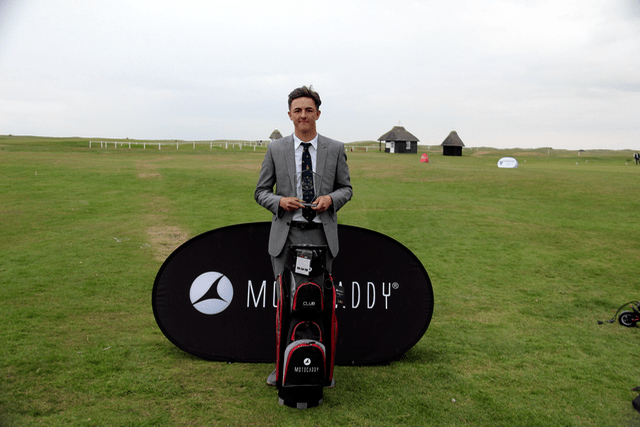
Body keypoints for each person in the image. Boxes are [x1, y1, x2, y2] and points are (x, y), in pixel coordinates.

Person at [255, 85, 352, 386]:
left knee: (320, 305)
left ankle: (322, 368)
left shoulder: (335, 148)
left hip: (322, 238)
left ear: (318, 114)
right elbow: (260, 192)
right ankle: (282, 367)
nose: (303, 115)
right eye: (297, 110)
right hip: (287, 239)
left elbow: (347, 189)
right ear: (289, 115)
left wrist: (331, 199)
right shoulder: (276, 150)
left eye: (309, 110)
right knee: (286, 306)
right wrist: (279, 202)